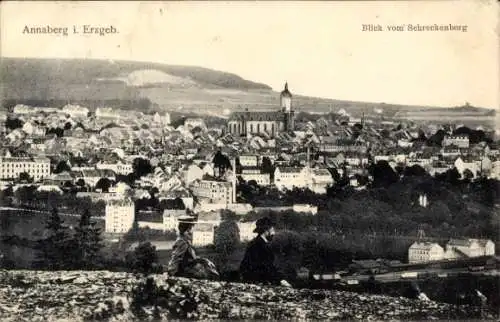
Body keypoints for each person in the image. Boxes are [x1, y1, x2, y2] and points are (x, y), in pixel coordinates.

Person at [239, 217, 292, 287]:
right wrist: (281, 280)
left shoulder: (257, 243)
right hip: (256, 283)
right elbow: (266, 267)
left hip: (256, 281)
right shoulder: (258, 245)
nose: (274, 233)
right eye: (272, 230)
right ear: (266, 231)